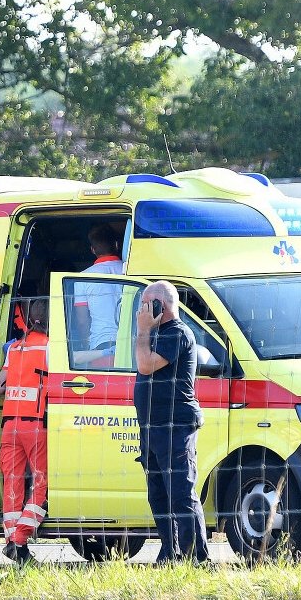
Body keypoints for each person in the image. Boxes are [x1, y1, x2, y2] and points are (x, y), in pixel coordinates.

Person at [135, 280, 209, 564]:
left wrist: (143, 330)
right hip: (152, 428)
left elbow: (145, 365)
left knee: (180, 492)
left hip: (174, 427)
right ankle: (171, 551)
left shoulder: (176, 333)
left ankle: (196, 558)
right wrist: (145, 332)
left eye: (146, 304)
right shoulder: (154, 335)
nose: (141, 311)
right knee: (158, 495)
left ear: (159, 306)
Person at [0, 298, 50, 564]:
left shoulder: (14, 348)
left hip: (9, 427)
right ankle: (20, 538)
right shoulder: (50, 349)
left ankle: (13, 544)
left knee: (12, 483)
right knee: (41, 482)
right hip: (36, 425)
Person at [74, 223, 125, 353]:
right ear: (116, 245)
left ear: (93, 250)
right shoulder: (129, 271)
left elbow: (82, 320)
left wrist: (86, 344)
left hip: (101, 345)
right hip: (131, 343)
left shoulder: (82, 278)